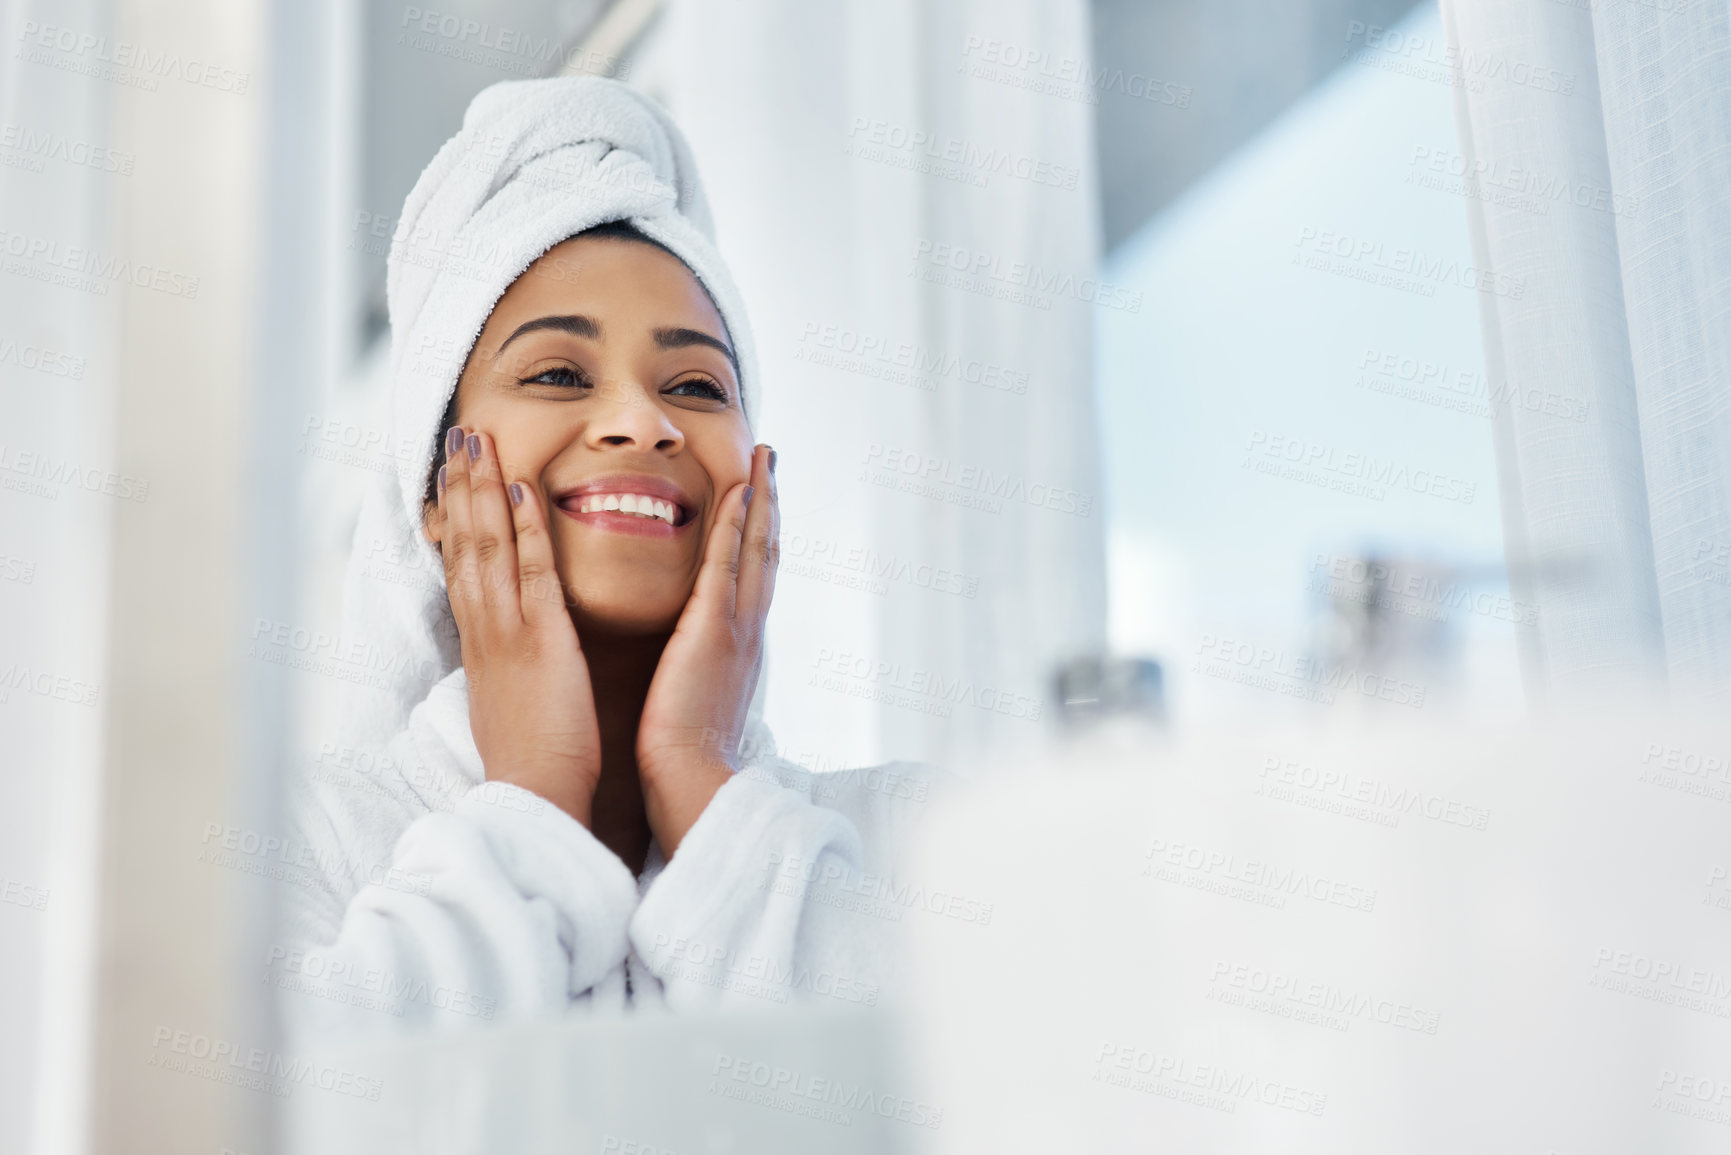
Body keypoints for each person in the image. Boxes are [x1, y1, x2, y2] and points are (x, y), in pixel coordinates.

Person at [277, 77, 938, 1033]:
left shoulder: (914, 844)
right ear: (433, 490)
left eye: (698, 385)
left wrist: (703, 786)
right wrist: (532, 797)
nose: (643, 421)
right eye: (556, 372)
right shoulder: (292, 842)